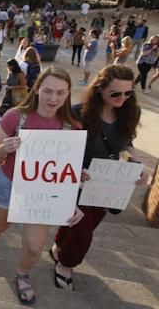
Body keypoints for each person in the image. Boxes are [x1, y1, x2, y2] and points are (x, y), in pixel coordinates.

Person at [0, 67, 84, 305]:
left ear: (68, 94)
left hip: (44, 193)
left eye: (60, 93)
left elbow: (68, 169)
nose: (53, 98)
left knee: (35, 248)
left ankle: (22, 273)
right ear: (37, 89)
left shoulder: (71, 126)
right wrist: (4, 147)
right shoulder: (16, 116)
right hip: (8, 184)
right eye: (47, 91)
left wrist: (74, 190)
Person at [51, 65, 149, 291]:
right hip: (78, 180)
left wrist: (134, 162)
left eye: (128, 93)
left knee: (84, 225)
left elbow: (126, 143)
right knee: (83, 234)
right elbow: (60, 147)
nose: (122, 98)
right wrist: (72, 170)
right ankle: (66, 264)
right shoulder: (78, 113)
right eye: (116, 93)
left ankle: (58, 248)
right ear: (100, 89)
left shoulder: (130, 112)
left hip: (108, 184)